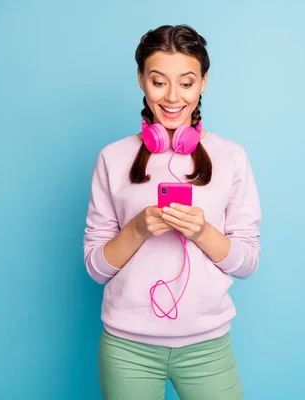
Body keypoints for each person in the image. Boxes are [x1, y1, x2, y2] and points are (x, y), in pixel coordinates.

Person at [82, 24, 261, 400]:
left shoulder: (231, 158)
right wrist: (137, 229)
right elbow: (95, 269)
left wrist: (202, 232)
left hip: (208, 348)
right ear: (141, 80)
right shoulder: (112, 158)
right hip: (127, 349)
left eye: (187, 82)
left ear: (203, 83)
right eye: (159, 81)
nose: (173, 97)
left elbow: (247, 263)